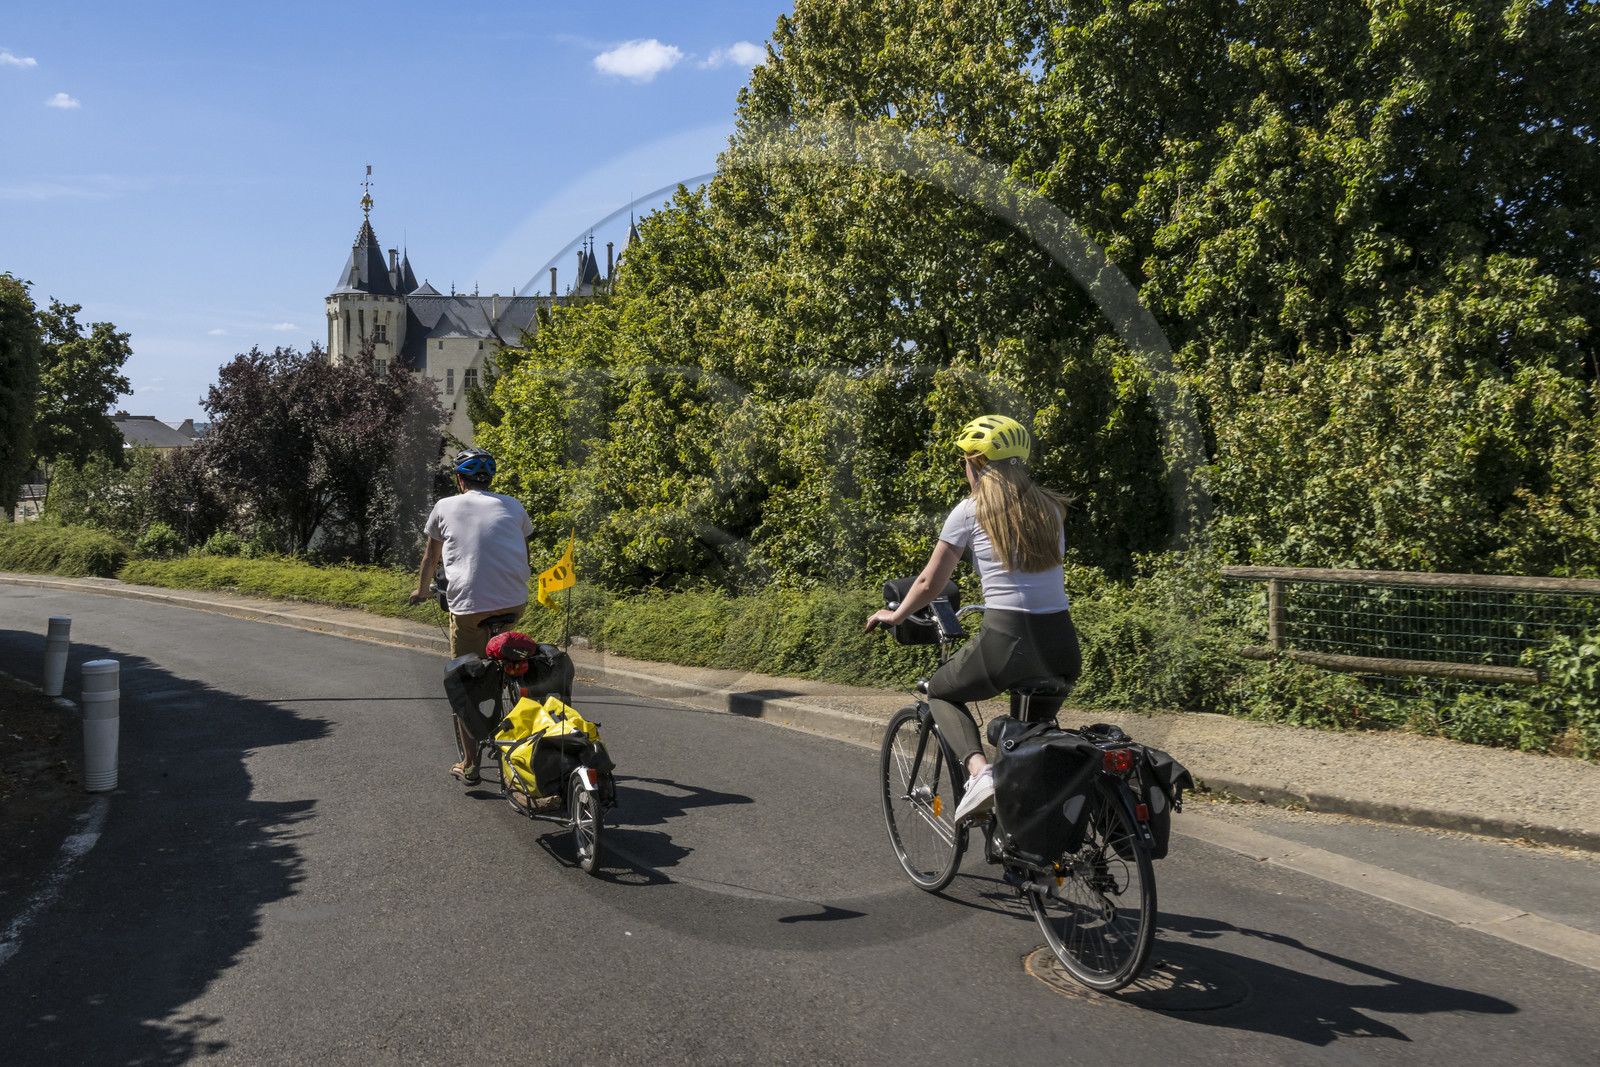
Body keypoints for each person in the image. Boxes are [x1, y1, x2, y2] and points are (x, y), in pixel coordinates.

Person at [865, 414, 1081, 825]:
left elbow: (929, 582)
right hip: (1061, 645)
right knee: (1028, 744)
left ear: (975, 463)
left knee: (942, 691)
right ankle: (1033, 855)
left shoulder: (970, 510)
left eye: (964, 462)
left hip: (1008, 640)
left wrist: (896, 615)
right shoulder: (1051, 509)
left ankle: (980, 774)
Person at [409, 447, 534, 784]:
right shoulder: (513, 505)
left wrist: (421, 592)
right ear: (490, 479)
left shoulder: (444, 506)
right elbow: (523, 556)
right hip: (514, 604)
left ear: (459, 479)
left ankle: (469, 762)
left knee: (465, 679)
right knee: (504, 649)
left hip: (469, 608)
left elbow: (430, 561)